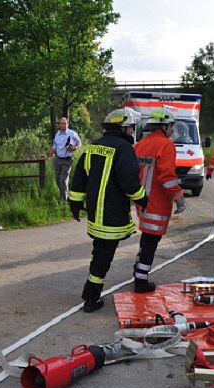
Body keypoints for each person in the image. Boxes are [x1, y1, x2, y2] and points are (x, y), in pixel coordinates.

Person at [69, 108, 147, 312]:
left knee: (100, 253)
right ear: (123, 128)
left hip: (95, 213)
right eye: (130, 127)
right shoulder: (124, 149)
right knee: (103, 257)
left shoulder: (93, 146)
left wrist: (75, 204)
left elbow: (79, 178)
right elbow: (130, 183)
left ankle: (91, 294)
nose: (132, 130)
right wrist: (143, 198)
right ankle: (91, 298)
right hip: (112, 215)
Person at [133, 108, 186, 293]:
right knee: (151, 240)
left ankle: (138, 270)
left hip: (142, 200)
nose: (172, 130)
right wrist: (179, 196)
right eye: (171, 126)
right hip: (157, 201)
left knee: (146, 236)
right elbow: (167, 177)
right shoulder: (166, 144)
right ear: (163, 126)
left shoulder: (140, 144)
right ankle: (141, 280)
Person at [49, 116, 81, 201]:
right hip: (58, 159)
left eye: (65, 123)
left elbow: (79, 143)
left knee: (62, 180)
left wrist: (75, 148)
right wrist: (49, 156)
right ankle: (64, 195)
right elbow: (54, 146)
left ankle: (64, 200)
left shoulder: (72, 133)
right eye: (61, 123)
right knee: (57, 179)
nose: (63, 125)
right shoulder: (57, 134)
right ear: (59, 125)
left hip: (68, 159)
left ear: (67, 124)